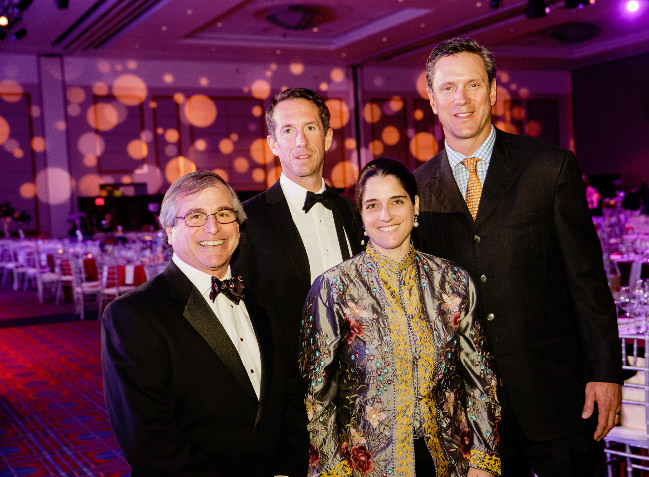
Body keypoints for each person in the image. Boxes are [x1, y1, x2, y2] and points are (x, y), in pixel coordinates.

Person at [413, 38, 622, 476]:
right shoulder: (414, 192)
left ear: (492, 90)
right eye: (448, 88)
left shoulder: (550, 167)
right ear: (432, 100)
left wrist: (606, 372)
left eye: (473, 85)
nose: (461, 99)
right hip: (469, 412)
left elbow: (587, 281)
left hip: (559, 396)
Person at [299, 158, 501, 477]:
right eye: (372, 205)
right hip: (365, 468)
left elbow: (480, 378)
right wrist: (331, 469)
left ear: (415, 205)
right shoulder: (333, 289)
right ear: (361, 215)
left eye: (397, 201)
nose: (386, 215)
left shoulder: (453, 281)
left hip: (452, 463)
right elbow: (316, 394)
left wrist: (483, 459)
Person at [101, 171, 308, 476]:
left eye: (224, 213)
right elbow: (150, 441)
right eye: (195, 216)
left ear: (237, 225)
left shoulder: (263, 305)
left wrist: (286, 470)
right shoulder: (132, 316)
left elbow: (289, 400)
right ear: (169, 231)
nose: (213, 227)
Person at [232, 87, 363, 363]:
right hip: (289, 389)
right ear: (273, 144)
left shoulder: (355, 213)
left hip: (359, 381)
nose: (301, 141)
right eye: (288, 131)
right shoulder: (246, 221)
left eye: (310, 128)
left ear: (327, 138)